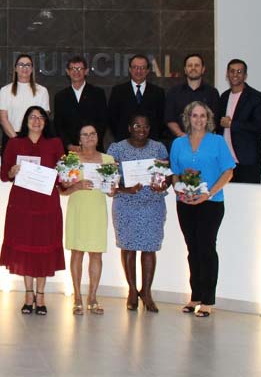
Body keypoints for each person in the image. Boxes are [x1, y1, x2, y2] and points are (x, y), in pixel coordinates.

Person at [170, 101, 234, 317]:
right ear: (188, 118)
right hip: (185, 204)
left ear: (208, 119)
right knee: (192, 249)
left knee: (206, 249)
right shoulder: (178, 143)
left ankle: (207, 299)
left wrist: (209, 193)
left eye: (202, 116)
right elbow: (175, 174)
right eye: (194, 116)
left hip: (211, 204)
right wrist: (179, 191)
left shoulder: (217, 142)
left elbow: (228, 172)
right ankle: (195, 295)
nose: (198, 120)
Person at [0, 106, 65, 316]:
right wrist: (12, 171)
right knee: (25, 249)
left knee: (43, 249)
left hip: (47, 205)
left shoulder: (55, 144)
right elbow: (4, 174)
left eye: (40, 117)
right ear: (25, 121)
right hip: (22, 205)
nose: (36, 121)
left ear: (46, 121)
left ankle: (41, 295)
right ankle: (28, 295)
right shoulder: (15, 143)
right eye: (32, 117)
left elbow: (63, 176)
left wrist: (62, 176)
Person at [106, 114, 170, 312]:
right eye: (137, 125)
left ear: (149, 129)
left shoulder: (159, 148)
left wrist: (162, 186)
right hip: (126, 203)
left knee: (149, 248)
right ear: (129, 127)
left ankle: (147, 292)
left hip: (152, 203)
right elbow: (110, 180)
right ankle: (133, 291)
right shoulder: (116, 149)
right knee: (129, 247)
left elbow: (167, 178)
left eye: (145, 126)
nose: (141, 129)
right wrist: (126, 189)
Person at [59, 124, 114, 315]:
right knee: (77, 253)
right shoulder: (71, 159)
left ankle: (93, 297)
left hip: (97, 210)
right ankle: (77, 297)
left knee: (96, 254)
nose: (89, 137)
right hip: (78, 209)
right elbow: (64, 189)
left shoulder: (108, 159)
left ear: (98, 137)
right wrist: (76, 185)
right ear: (79, 139)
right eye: (85, 134)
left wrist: (112, 188)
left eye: (93, 134)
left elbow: (111, 191)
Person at [217, 59, 261, 183]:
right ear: (227, 74)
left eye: (239, 71)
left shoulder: (256, 97)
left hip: (248, 161)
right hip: (226, 162)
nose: (235, 74)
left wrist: (232, 124)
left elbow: (260, 127)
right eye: (232, 71)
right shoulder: (224, 97)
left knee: (250, 199)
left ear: (245, 75)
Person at [53, 56, 108, 152]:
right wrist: (69, 145)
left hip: (94, 149)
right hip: (70, 151)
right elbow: (58, 125)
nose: (76, 72)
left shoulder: (97, 93)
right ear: (67, 72)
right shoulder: (60, 96)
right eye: (73, 69)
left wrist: (90, 143)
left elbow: (102, 122)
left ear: (86, 71)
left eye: (79, 69)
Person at [107, 55, 165, 143]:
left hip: (150, 143)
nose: (139, 71)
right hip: (124, 142)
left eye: (142, 68)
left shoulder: (158, 92)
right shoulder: (118, 91)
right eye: (135, 67)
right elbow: (112, 118)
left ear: (148, 70)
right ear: (130, 69)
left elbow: (161, 119)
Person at [164, 54, 219, 143]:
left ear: (203, 69)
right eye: (190, 65)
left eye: (197, 65)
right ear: (185, 70)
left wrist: (202, 138)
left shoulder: (212, 93)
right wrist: (182, 135)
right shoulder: (173, 92)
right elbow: (170, 119)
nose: (193, 68)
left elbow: (214, 119)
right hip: (180, 142)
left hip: (205, 143)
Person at [0, 54, 50, 148]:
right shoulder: (5, 90)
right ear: (16, 68)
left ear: (32, 69)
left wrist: (29, 141)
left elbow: (44, 118)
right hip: (11, 138)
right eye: (21, 65)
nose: (24, 68)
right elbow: (3, 118)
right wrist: (16, 140)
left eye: (28, 65)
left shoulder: (42, 91)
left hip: (35, 139)